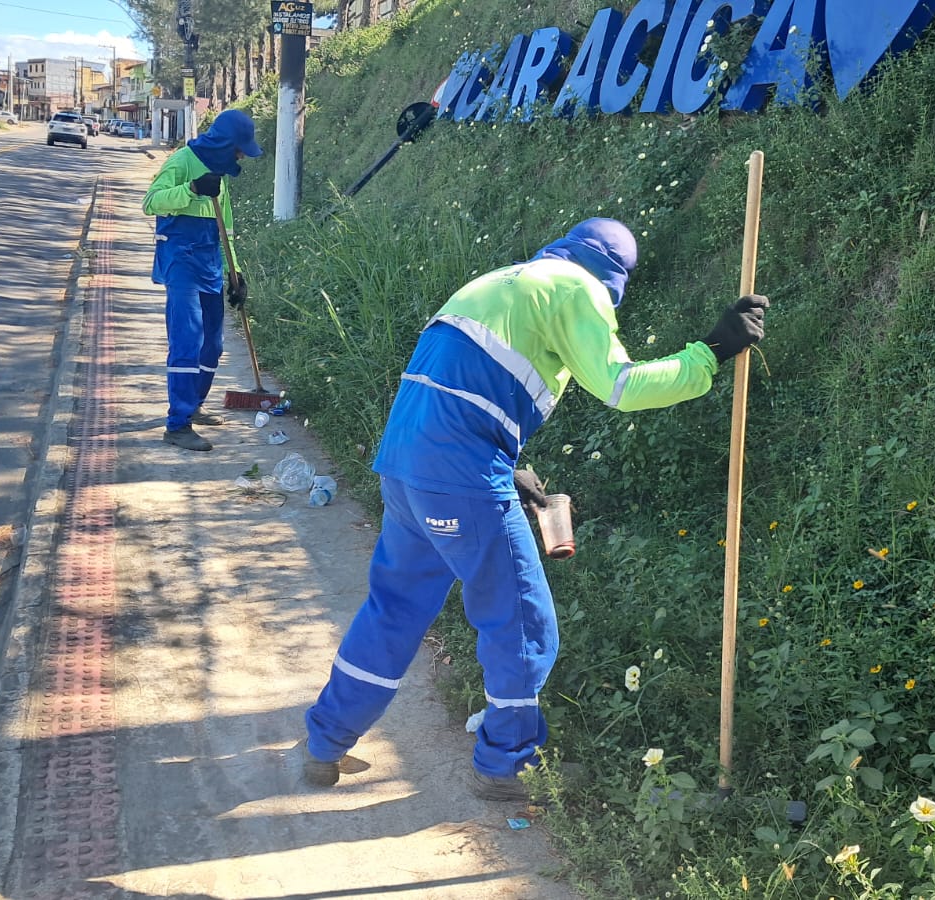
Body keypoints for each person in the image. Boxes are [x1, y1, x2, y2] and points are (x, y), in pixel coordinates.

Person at [301, 217, 768, 800]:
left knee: (392, 610)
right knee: (520, 620)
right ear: (613, 277)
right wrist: (714, 350)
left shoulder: (500, 281)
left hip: (404, 468)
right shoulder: (578, 289)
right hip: (461, 476)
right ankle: (507, 765)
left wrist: (504, 460)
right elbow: (622, 386)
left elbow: (460, 382)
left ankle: (325, 742)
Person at [141, 109, 261, 451]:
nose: (240, 156)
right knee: (187, 341)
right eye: (239, 149)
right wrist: (191, 189)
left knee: (214, 344)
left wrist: (234, 273)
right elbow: (151, 202)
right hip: (180, 260)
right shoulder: (182, 161)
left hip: (209, 261)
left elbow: (227, 233)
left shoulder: (220, 175)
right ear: (225, 143)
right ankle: (177, 424)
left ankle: (194, 405)